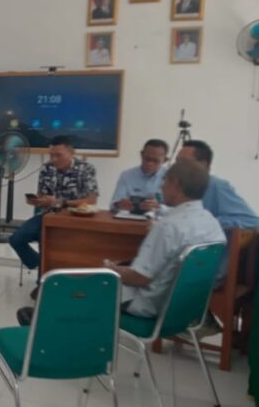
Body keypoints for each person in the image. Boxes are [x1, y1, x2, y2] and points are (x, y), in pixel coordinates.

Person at [17, 161, 225, 325]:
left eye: (165, 181)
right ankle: (51, 319)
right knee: (104, 275)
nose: (162, 186)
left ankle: (48, 323)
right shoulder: (212, 224)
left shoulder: (168, 227)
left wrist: (111, 268)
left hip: (148, 304)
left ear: (176, 184)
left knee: (86, 281)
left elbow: (139, 278)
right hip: (183, 308)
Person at [9, 135, 98, 297]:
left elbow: (91, 200)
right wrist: (37, 201)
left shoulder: (86, 169)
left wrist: (60, 202)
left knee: (46, 238)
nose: (54, 159)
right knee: (16, 239)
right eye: (51, 155)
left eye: (58, 155)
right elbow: (43, 196)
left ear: (71, 153)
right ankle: (42, 265)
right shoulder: (46, 168)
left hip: (75, 217)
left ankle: (43, 283)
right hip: (48, 215)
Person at [176, 140, 259, 281]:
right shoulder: (178, 185)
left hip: (202, 266)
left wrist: (208, 223)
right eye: (177, 161)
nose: (177, 167)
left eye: (183, 162)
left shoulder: (216, 186)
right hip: (180, 255)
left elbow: (252, 220)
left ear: (203, 165)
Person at [111, 139, 168, 212]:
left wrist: (159, 207)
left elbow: (178, 210)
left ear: (165, 160)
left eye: (155, 161)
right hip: (129, 217)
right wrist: (118, 204)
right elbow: (113, 205)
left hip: (160, 218)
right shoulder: (127, 175)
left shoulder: (171, 178)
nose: (150, 163)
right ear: (141, 154)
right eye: (147, 159)